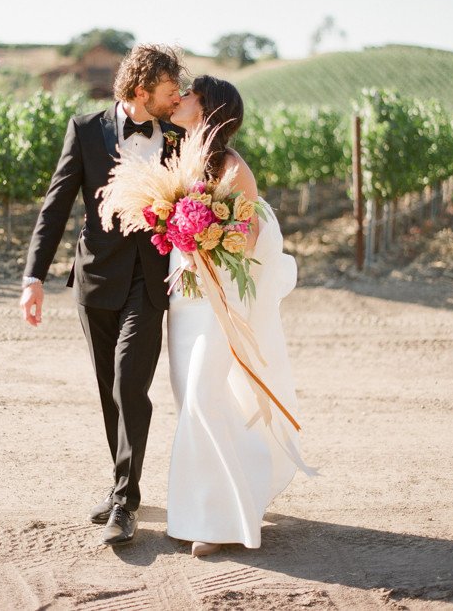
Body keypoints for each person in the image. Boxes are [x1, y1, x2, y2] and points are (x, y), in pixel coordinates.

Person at [20, 44, 185, 546]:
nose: (176, 100)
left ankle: (125, 502)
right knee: (107, 387)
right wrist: (33, 277)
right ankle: (122, 481)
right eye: (168, 92)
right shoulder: (86, 130)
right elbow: (56, 205)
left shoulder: (180, 138)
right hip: (95, 279)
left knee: (130, 383)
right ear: (141, 92)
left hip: (150, 281)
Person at [167, 75, 302, 557]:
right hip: (183, 299)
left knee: (204, 394)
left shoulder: (230, 166)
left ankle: (222, 523)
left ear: (207, 107)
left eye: (187, 94)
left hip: (220, 300)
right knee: (189, 399)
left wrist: (197, 234)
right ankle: (215, 499)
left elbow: (245, 241)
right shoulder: (178, 156)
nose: (177, 98)